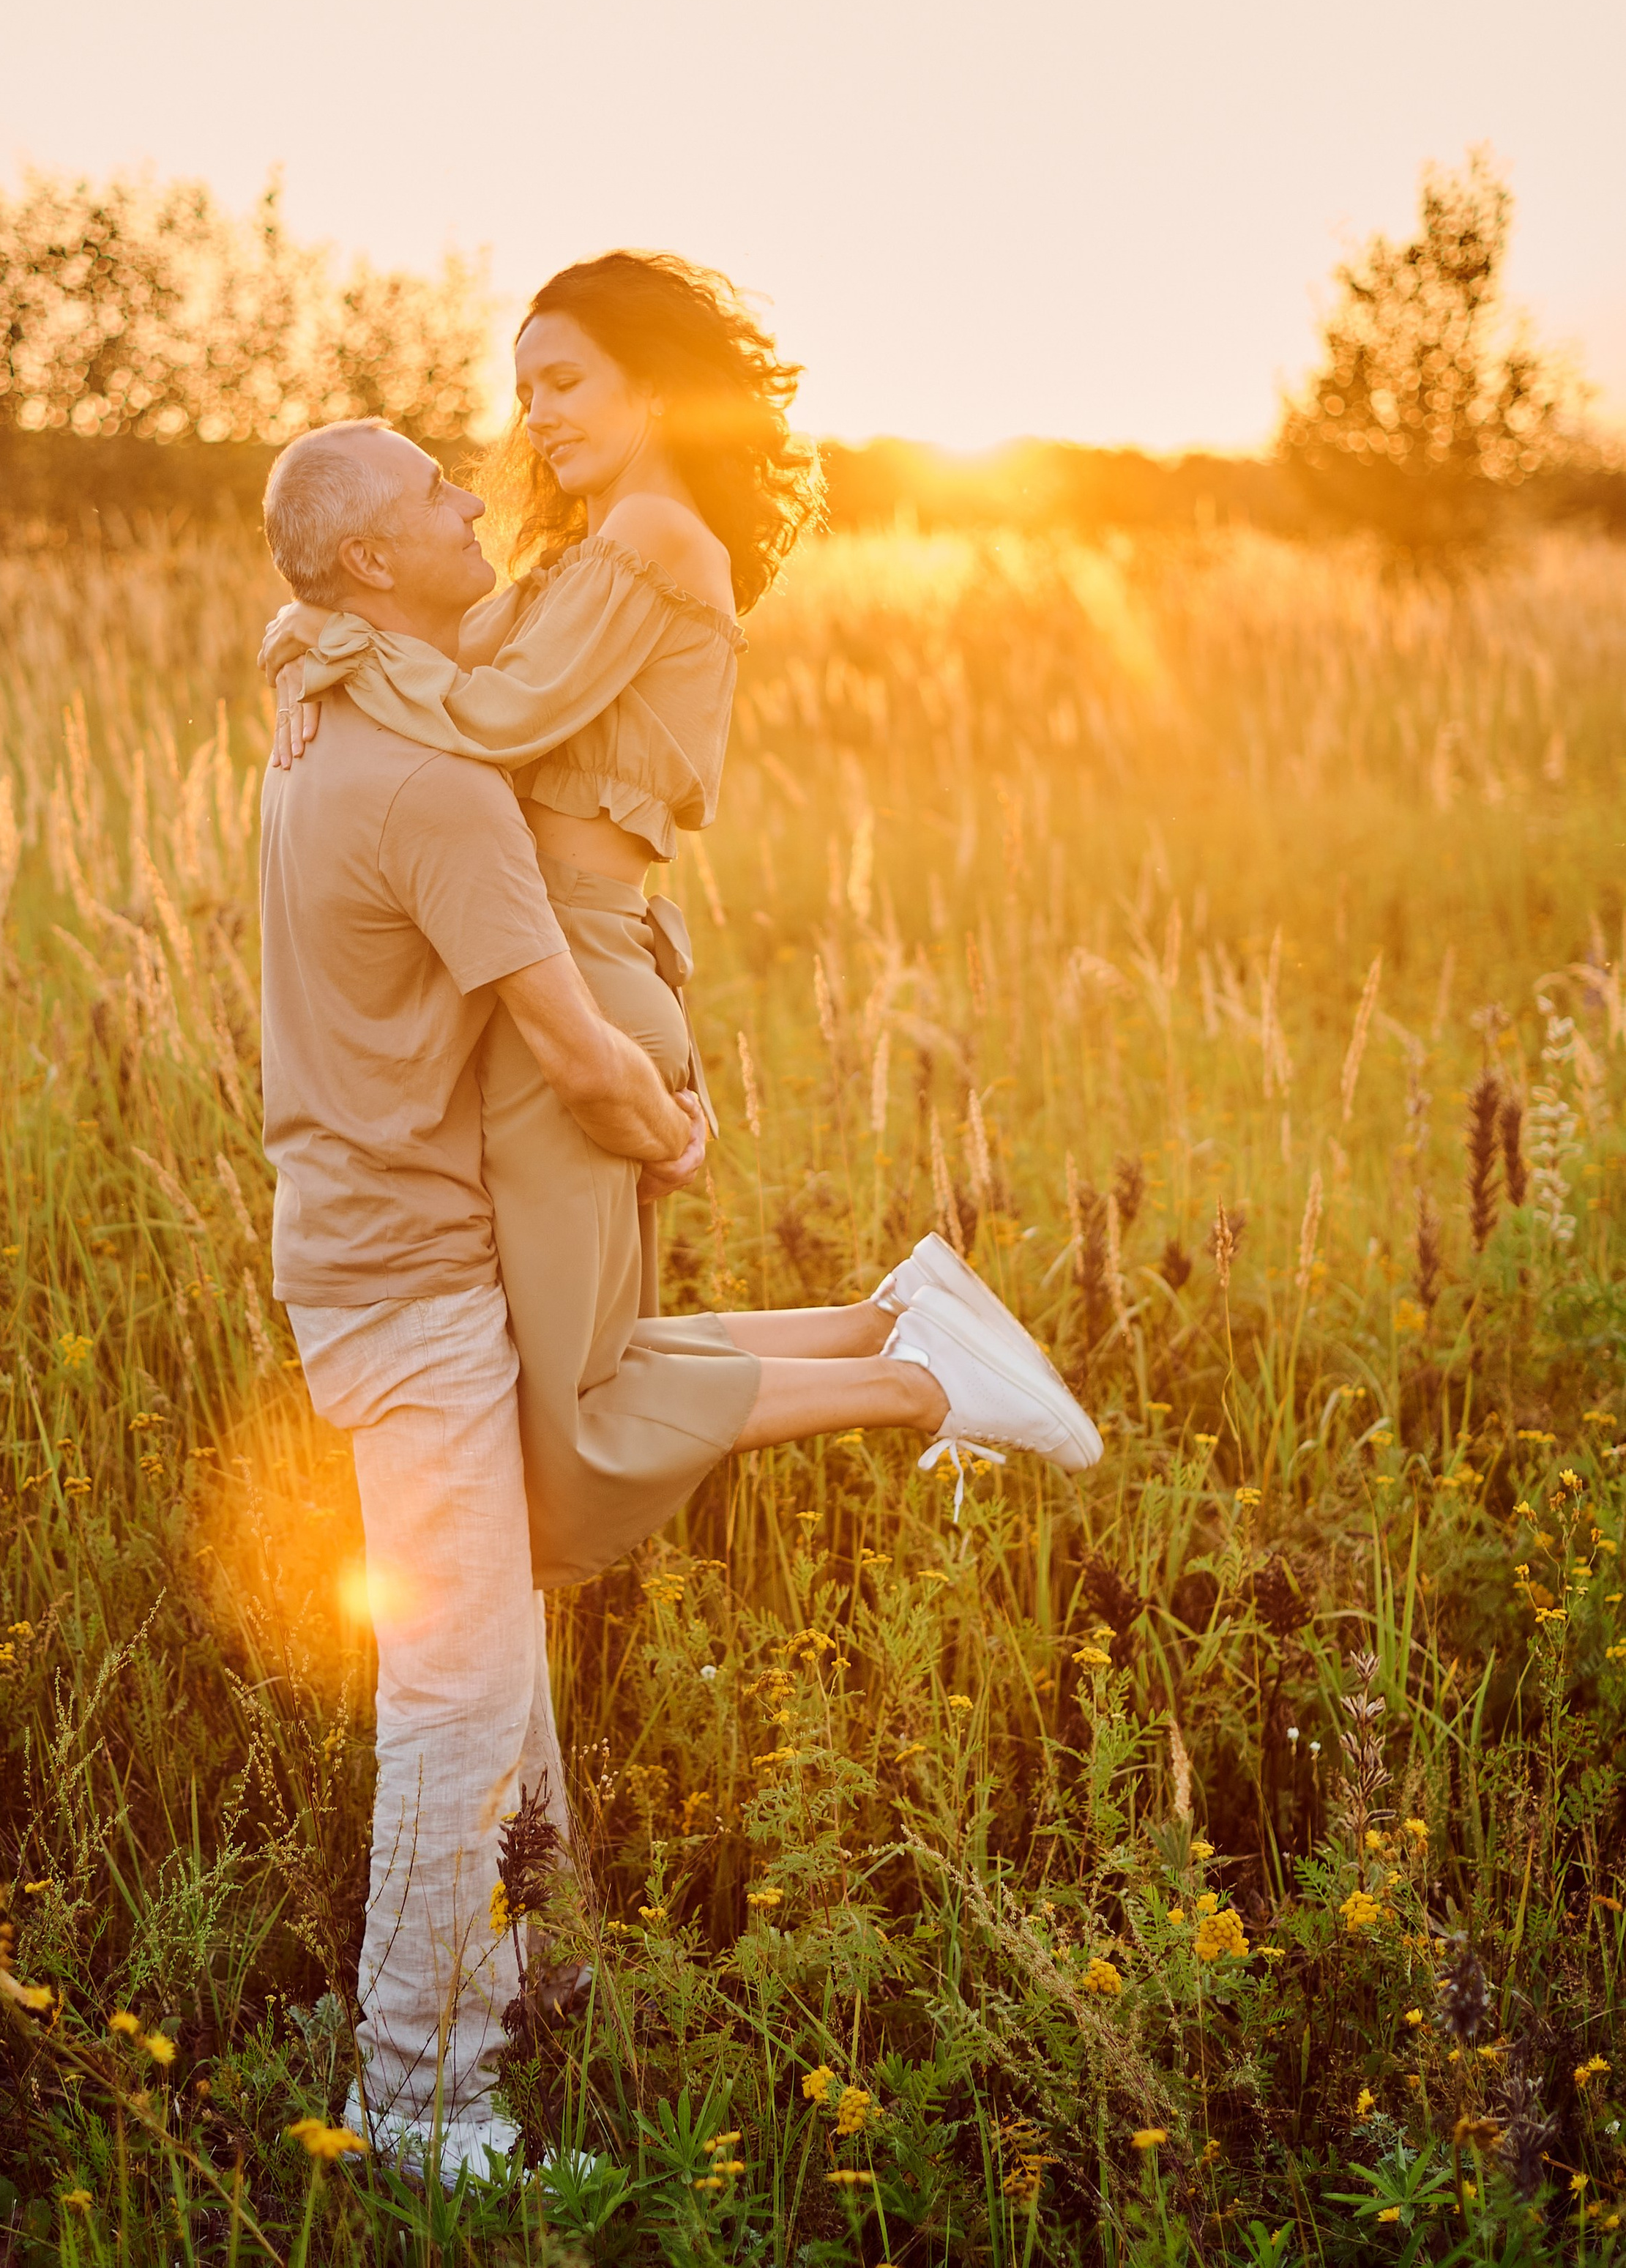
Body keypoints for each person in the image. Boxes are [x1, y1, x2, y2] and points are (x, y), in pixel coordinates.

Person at [258, 410, 1098, 2185]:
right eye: (429, 490)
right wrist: (679, 1129)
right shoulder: (432, 783)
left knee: (510, 1662)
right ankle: (420, 2105)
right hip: (407, 1284)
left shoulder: (322, 718)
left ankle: (543, 1986)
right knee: (458, 1702)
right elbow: (571, 1049)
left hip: (373, 1254)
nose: (467, 493)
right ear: (361, 561)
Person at [265, 256, 1100, 1600]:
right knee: (583, 1372)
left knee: (575, 1423)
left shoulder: (656, 543)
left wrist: (334, 654)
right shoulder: (590, 553)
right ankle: (895, 1321)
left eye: (567, 379)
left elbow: (485, 720)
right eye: (523, 385)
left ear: (651, 387)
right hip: (564, 962)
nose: (535, 413)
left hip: (579, 967)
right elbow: (416, 639)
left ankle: (910, 1380)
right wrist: (305, 637)